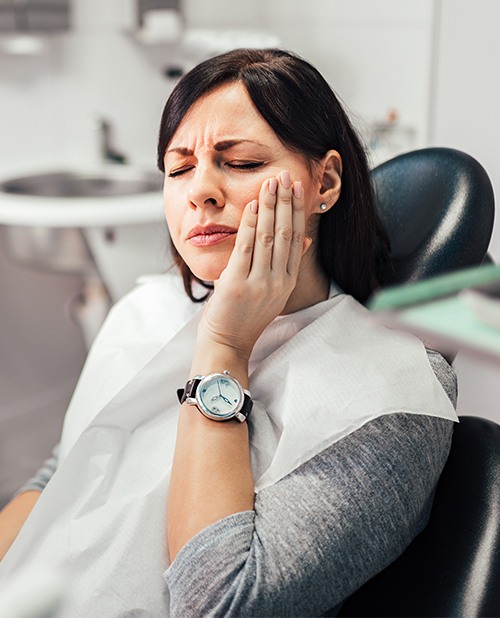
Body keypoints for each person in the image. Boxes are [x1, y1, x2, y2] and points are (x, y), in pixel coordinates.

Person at [0, 48, 457, 617]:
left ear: (326, 181)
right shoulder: (147, 309)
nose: (201, 191)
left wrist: (225, 348)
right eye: (179, 167)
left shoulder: (391, 394)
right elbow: (68, 470)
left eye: (240, 163)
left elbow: (220, 603)